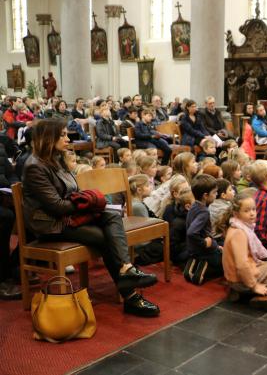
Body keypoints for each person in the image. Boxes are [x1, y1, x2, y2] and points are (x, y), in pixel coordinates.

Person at [22, 118, 159, 316]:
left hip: (69, 217)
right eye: (63, 135)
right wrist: (89, 202)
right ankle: (131, 295)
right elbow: (57, 207)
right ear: (48, 138)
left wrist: (86, 202)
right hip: (51, 224)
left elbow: (73, 191)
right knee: (104, 237)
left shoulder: (56, 159)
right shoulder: (35, 166)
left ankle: (127, 269)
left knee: (111, 216)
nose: (68, 139)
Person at [221, 189, 267, 311]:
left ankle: (241, 292)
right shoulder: (239, 233)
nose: (252, 213)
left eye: (254, 209)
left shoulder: (239, 227)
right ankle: (262, 297)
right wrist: (254, 286)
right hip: (239, 279)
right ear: (236, 213)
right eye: (246, 210)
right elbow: (241, 265)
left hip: (236, 277)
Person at [185, 174, 223, 283]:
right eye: (215, 192)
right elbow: (191, 232)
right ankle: (201, 269)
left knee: (219, 247)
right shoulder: (204, 212)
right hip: (204, 250)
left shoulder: (194, 205)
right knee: (222, 262)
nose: (216, 195)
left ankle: (190, 267)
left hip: (192, 248)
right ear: (205, 195)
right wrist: (204, 243)